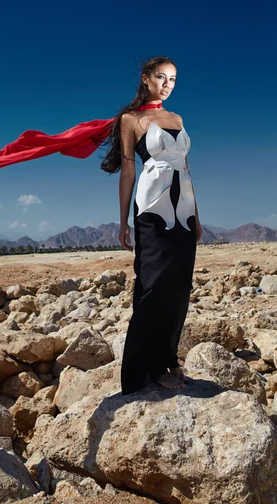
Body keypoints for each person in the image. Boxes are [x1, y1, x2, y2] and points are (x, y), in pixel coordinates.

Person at [100, 56, 202, 394]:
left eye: (173, 79)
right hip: (151, 209)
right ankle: (138, 373)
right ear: (146, 79)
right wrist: (123, 220)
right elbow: (128, 171)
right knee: (152, 287)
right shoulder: (131, 119)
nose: (168, 84)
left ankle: (167, 362)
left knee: (178, 289)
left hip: (184, 211)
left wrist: (198, 217)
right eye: (161, 77)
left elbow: (186, 170)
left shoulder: (177, 118)